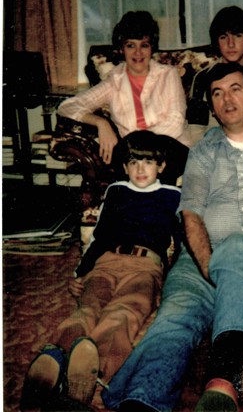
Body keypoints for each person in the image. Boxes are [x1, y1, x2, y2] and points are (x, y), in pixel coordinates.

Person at [101, 62, 243, 412]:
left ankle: (222, 381)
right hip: (200, 259)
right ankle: (140, 401)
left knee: (238, 245)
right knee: (174, 316)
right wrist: (208, 265)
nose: (226, 99)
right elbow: (192, 214)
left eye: (235, 89)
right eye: (217, 93)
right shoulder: (201, 150)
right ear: (212, 106)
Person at [20, 130, 183, 411]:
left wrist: (172, 281)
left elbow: (180, 242)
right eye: (133, 162)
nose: (140, 169)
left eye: (147, 162)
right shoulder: (116, 191)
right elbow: (100, 236)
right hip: (106, 261)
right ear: (124, 167)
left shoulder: (173, 196)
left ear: (162, 166)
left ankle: (91, 374)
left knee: (122, 312)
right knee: (88, 307)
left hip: (145, 267)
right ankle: (54, 361)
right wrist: (80, 273)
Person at [58, 11, 192, 166]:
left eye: (144, 45)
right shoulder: (114, 82)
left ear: (151, 48)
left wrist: (139, 148)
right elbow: (67, 106)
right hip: (133, 157)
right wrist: (101, 123)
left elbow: (175, 123)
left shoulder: (168, 74)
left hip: (170, 150)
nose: (138, 52)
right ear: (121, 49)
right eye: (130, 45)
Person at [187, 5, 243, 144]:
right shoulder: (202, 79)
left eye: (237, 36)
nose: (231, 44)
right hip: (213, 148)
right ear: (217, 42)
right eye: (223, 37)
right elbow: (195, 131)